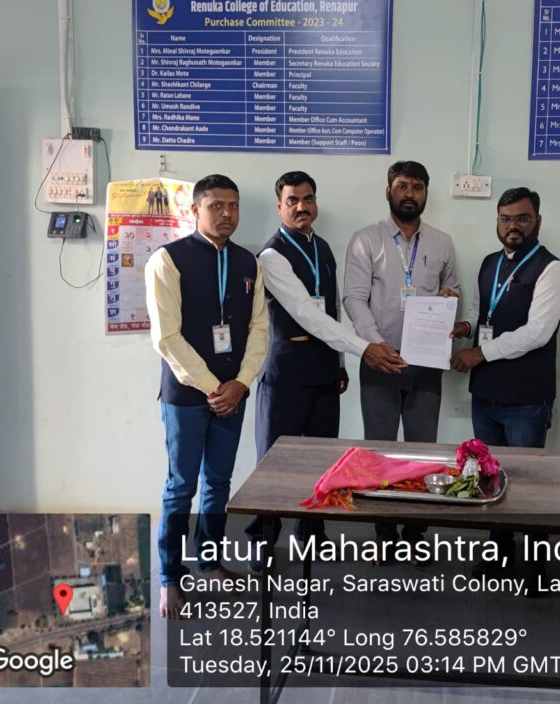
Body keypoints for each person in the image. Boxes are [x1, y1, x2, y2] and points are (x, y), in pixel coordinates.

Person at [245, 171, 406, 564]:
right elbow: (306, 313)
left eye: (308, 198)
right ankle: (262, 540)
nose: (302, 206)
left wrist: (339, 363)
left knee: (322, 460)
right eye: (293, 200)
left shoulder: (324, 248)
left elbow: (331, 310)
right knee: (274, 464)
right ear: (279, 206)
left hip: (322, 372)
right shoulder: (271, 256)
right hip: (285, 375)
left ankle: (312, 535)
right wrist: (363, 349)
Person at [145, 174, 269, 619]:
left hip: (233, 394)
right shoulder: (168, 260)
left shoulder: (248, 262)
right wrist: (214, 387)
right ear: (195, 210)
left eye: (233, 206)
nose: (227, 214)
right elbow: (167, 336)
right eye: (216, 206)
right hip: (186, 396)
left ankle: (210, 561)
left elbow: (260, 329)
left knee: (219, 482)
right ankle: (170, 578)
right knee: (181, 485)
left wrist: (242, 382)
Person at [451, 187, 560, 582]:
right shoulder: (489, 263)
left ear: (537, 221)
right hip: (485, 393)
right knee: (489, 475)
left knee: (528, 482)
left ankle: (535, 567)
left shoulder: (552, 270)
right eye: (505, 218)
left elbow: (537, 333)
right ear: (498, 222)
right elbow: (480, 310)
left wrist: (479, 353)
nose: (513, 225)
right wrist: (464, 327)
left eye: (522, 218)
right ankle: (499, 556)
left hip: (526, 397)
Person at [343, 160, 460, 547]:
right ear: (388, 191)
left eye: (417, 187)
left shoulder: (442, 242)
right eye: (402, 186)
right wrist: (374, 345)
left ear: (426, 193)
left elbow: (454, 289)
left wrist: (449, 298)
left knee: (422, 452)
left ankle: (415, 533)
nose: (410, 193)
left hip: (426, 363)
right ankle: (383, 533)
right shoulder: (366, 239)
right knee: (380, 451)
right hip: (380, 360)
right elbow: (353, 298)